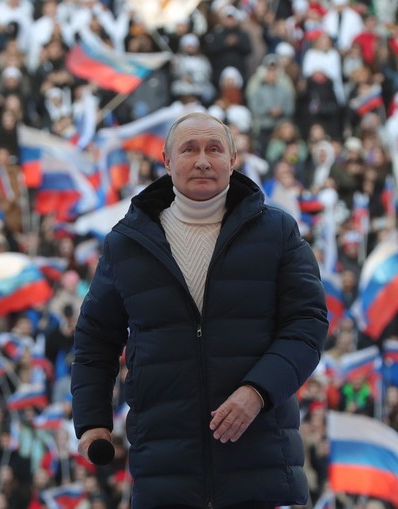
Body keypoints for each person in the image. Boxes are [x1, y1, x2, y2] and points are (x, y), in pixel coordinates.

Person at [71, 112, 328, 508]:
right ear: (168, 161)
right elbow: (95, 340)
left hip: (257, 461)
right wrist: (93, 422)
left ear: (233, 159)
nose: (203, 160)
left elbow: (307, 324)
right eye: (189, 149)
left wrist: (257, 391)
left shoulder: (278, 231)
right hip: (164, 469)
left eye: (214, 149)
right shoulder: (126, 243)